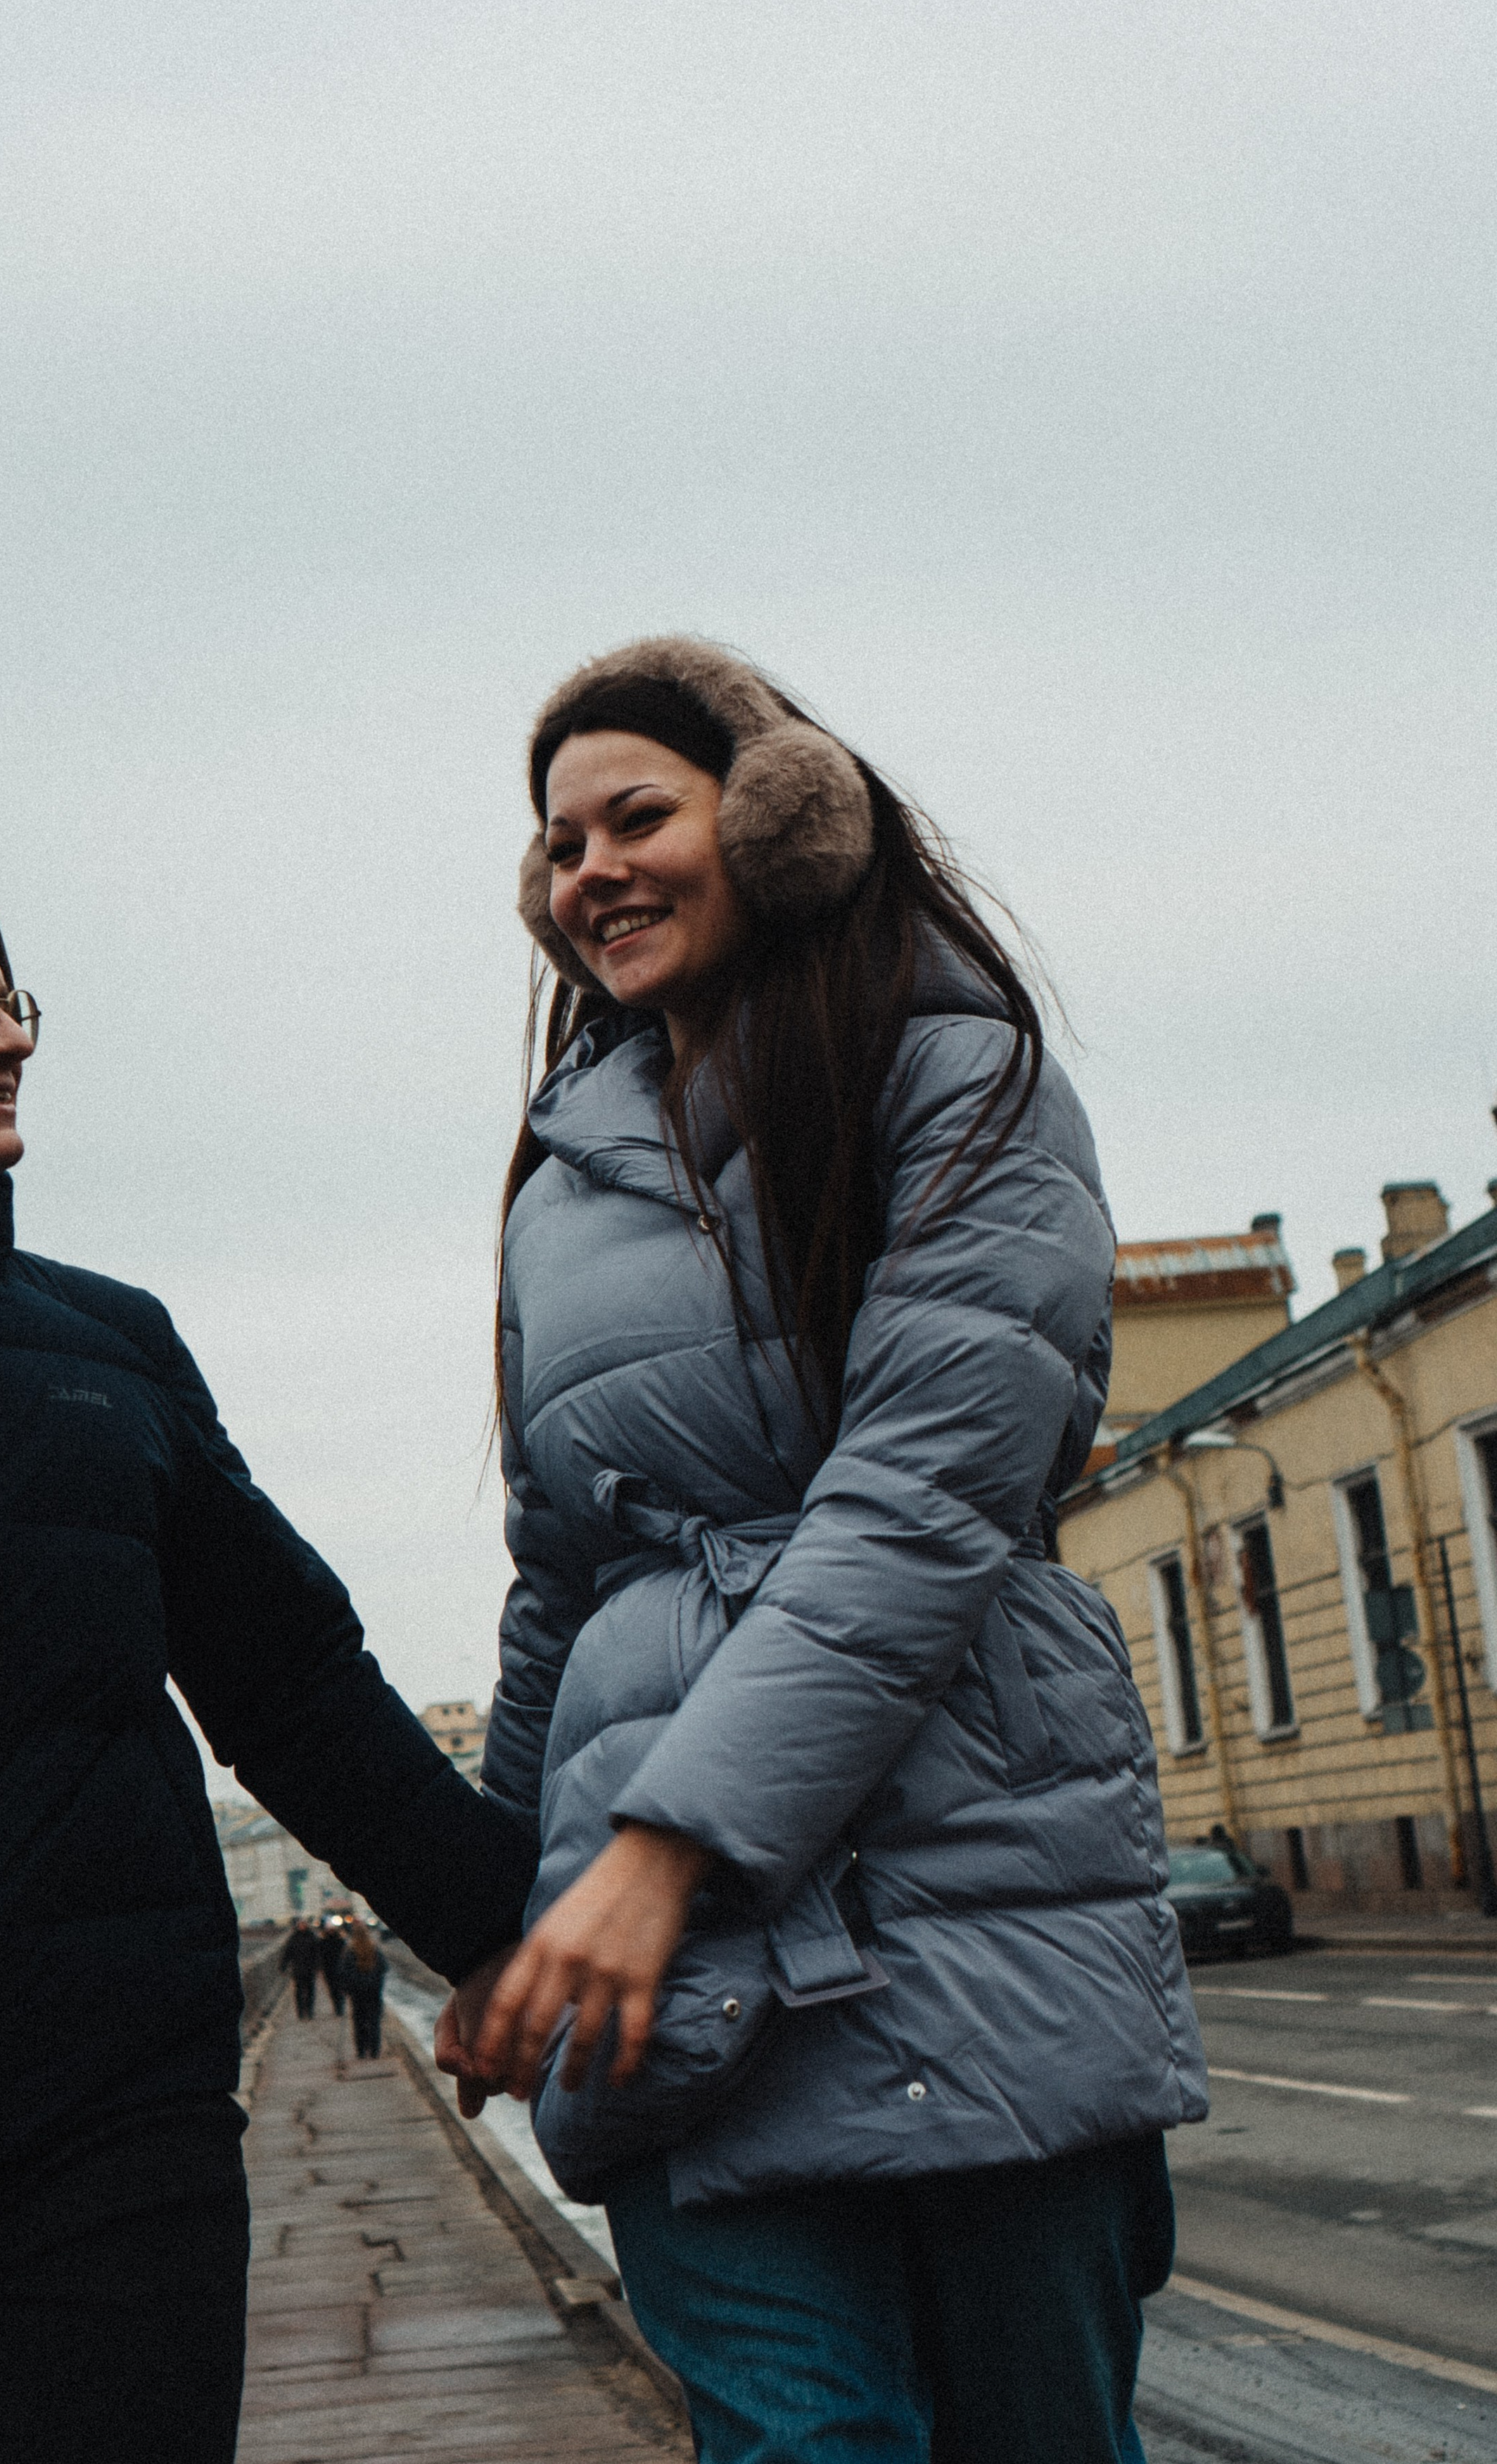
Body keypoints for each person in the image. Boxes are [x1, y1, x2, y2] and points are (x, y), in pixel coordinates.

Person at [435, 640, 1206, 2464]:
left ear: (783, 823)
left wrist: (667, 1847)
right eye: (560, 845)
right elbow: (562, 1583)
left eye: (636, 816)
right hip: (676, 1987)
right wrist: (492, 1918)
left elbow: (925, 1499)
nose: (590, 870)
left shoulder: (963, 1073)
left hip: (982, 1909)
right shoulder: (557, 1182)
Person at [0, 859, 535, 2464]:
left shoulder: (110, 1343)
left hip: (118, 2129)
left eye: (12, 999)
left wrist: (497, 1927)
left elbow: (289, 1679)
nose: (7, 1036)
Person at [338, 1922, 388, 2060]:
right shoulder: (374, 1949)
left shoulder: (350, 1951)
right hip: (373, 1993)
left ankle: (361, 2051)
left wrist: (347, 1988)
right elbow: (383, 1968)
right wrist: (375, 1983)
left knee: (359, 2022)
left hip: (357, 1994)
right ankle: (374, 2050)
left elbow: (344, 1972)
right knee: (374, 2022)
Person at [281, 1920, 321, 2022]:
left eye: (304, 1925)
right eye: (301, 1925)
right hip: (298, 1969)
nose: (302, 1926)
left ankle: (309, 2011)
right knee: (299, 1992)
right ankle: (301, 2012)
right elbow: (287, 1953)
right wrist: (283, 1966)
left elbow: (317, 1953)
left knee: (310, 1991)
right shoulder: (294, 1938)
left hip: (310, 1969)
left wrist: (317, 1966)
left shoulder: (312, 1937)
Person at [317, 1915, 349, 2017]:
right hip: (328, 1968)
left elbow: (346, 1953)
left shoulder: (340, 1939)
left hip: (339, 1968)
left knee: (339, 1988)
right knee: (332, 1989)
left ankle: (340, 2008)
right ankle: (337, 2007)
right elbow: (320, 1954)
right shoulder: (323, 1940)